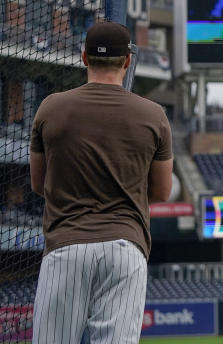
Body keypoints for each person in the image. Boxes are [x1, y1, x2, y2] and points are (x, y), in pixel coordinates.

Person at [29, 21, 173, 343]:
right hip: (125, 248)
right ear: (127, 61)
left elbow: (39, 184)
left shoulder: (50, 107)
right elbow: (161, 192)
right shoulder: (153, 115)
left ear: (84, 58)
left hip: (65, 247)